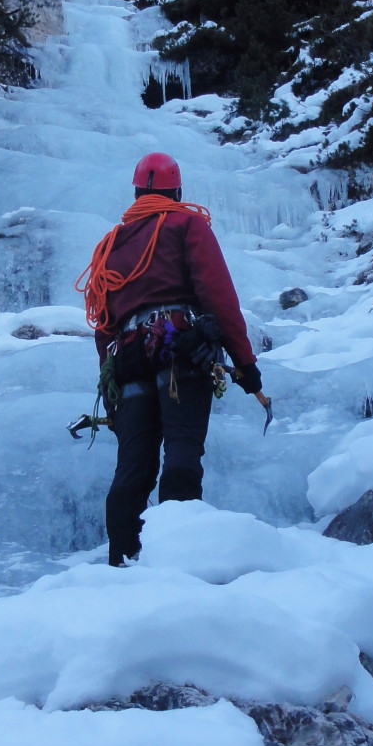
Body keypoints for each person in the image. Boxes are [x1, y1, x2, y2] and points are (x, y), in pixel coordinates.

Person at [76, 151, 263, 565]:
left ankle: (121, 563)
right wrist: (246, 364)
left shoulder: (110, 245)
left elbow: (103, 325)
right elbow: (218, 296)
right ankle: (179, 561)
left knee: (132, 467)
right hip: (180, 348)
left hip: (127, 359)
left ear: (136, 193)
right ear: (177, 192)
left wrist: (110, 393)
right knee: (182, 449)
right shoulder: (187, 225)